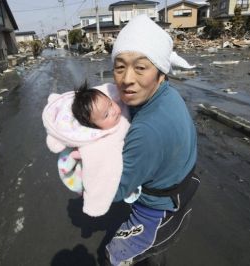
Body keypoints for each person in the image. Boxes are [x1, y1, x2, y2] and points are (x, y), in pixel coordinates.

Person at [104, 15, 200, 266]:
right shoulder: (167, 95)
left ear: (160, 71)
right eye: (120, 66)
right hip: (181, 186)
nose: (126, 79)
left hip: (156, 211)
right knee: (154, 254)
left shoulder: (147, 131)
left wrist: (80, 168)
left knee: (114, 257)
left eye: (141, 67)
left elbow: (112, 192)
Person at [42, 82, 137, 217]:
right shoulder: (102, 144)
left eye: (110, 104)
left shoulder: (106, 102)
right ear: (94, 127)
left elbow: (109, 89)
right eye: (105, 115)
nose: (114, 111)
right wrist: (96, 203)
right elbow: (100, 174)